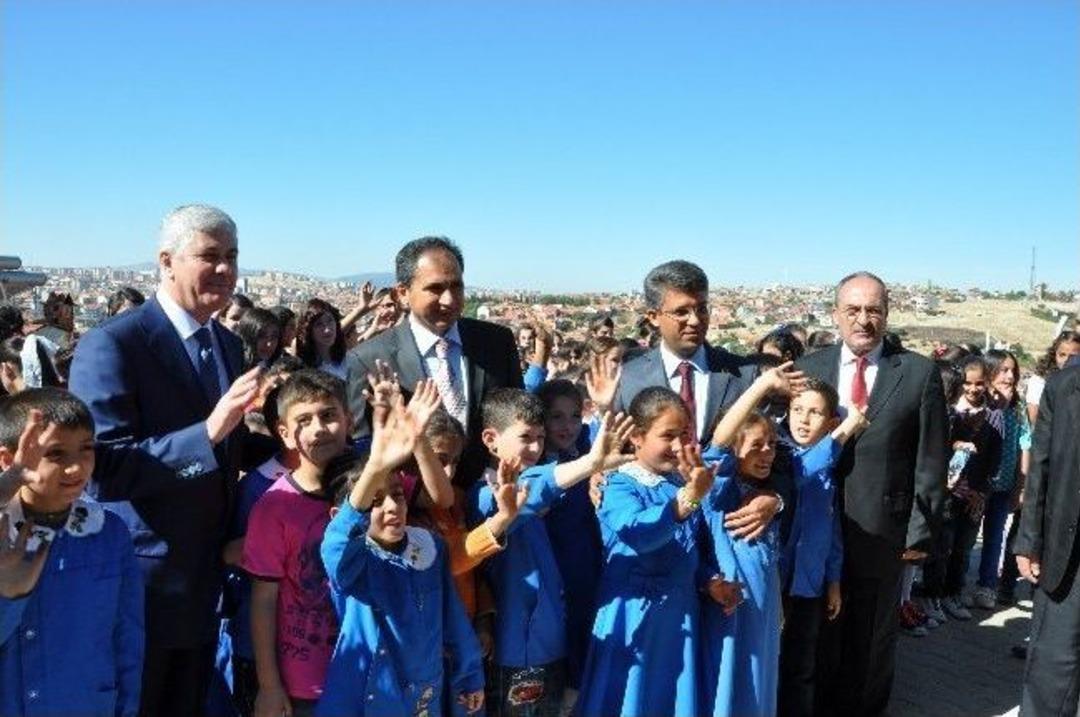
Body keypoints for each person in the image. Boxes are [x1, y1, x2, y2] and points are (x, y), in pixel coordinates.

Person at [68, 203, 265, 717]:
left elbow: (232, 446)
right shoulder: (113, 344)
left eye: (232, 256)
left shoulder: (225, 342)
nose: (224, 269)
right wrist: (209, 431)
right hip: (145, 583)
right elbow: (104, 468)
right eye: (209, 255)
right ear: (167, 261)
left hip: (210, 579)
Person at [796, 271, 947, 716]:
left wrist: (919, 534)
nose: (864, 320)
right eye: (853, 310)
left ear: (887, 313)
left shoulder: (918, 374)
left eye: (873, 310)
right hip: (815, 530)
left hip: (882, 534)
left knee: (868, 646)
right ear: (836, 314)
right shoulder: (810, 369)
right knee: (815, 640)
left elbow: (931, 459)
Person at [318, 390, 486, 717]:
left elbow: (452, 618)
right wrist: (376, 466)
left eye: (397, 494)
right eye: (376, 501)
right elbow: (336, 545)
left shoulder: (428, 548)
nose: (393, 507)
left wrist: (469, 676)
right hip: (371, 697)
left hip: (425, 698)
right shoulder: (355, 563)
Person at [467, 388, 633, 717]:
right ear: (490, 439)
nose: (535, 447)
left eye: (540, 438)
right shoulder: (485, 496)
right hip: (515, 649)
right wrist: (589, 463)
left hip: (550, 641)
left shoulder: (536, 481)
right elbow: (537, 486)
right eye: (525, 437)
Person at [577, 387, 736, 717]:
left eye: (683, 435)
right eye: (667, 435)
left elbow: (689, 548)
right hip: (636, 617)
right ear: (637, 436)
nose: (678, 446)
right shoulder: (618, 483)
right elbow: (640, 534)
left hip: (680, 617)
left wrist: (709, 581)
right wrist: (688, 500)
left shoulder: (679, 484)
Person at [614, 260, 780, 543]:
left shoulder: (743, 375)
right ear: (653, 316)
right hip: (662, 538)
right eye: (681, 311)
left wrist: (774, 497)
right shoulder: (629, 378)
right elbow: (618, 450)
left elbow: (778, 451)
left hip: (731, 532)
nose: (695, 320)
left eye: (701, 308)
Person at [0, 389, 144, 717]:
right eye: (56, 453)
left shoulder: (109, 533)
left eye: (85, 449)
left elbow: (127, 638)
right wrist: (9, 595)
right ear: (9, 460)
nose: (75, 467)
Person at [347, 236, 523, 485]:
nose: (449, 300)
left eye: (457, 287)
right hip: (413, 508)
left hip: (492, 497)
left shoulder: (496, 342)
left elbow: (518, 419)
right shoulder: (368, 359)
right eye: (436, 288)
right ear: (403, 293)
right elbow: (362, 448)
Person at [1014, 358, 1080, 715]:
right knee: (1052, 671)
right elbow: (1040, 466)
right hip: (1068, 556)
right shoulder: (1065, 385)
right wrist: (1029, 540)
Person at [535, 379, 602, 708]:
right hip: (549, 580)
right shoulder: (534, 468)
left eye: (575, 416)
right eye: (556, 417)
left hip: (584, 573)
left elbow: (609, 438)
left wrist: (604, 406)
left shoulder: (588, 451)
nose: (568, 426)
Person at [972, 349, 1029, 609]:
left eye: (1012, 371)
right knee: (967, 538)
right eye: (1003, 370)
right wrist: (996, 405)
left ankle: (986, 586)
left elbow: (1024, 445)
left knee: (995, 536)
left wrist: (1020, 484)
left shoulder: (1017, 408)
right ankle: (951, 587)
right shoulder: (979, 402)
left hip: (1004, 484)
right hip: (977, 485)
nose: (1009, 375)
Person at [1025, 330, 1080, 425]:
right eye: (1062, 355)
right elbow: (1035, 419)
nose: (1066, 360)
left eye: (1073, 356)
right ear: (1054, 355)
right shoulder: (1040, 381)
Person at [296, 299, 349, 380]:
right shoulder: (304, 369)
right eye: (319, 324)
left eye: (330, 321)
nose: (327, 329)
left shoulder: (348, 360)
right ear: (308, 331)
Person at [234, 307, 283, 371]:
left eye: (274, 337)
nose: (269, 344)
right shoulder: (231, 367)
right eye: (261, 336)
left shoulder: (279, 369)